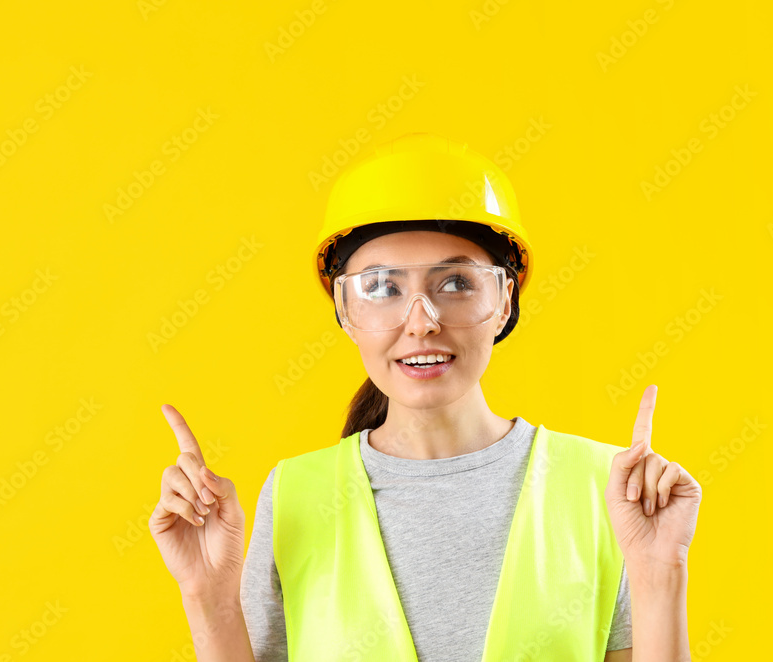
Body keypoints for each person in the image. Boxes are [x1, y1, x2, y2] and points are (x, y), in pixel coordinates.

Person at [149, 132, 702, 662]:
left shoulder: (608, 488)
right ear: (346, 311)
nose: (421, 324)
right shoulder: (296, 495)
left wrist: (661, 577)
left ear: (505, 300)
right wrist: (207, 596)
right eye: (383, 288)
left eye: (456, 283)